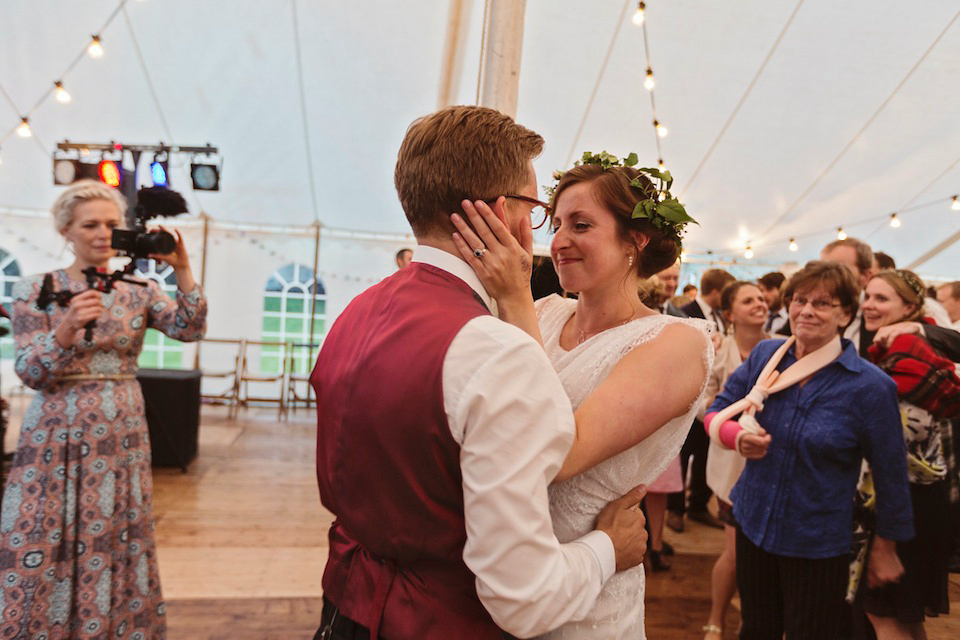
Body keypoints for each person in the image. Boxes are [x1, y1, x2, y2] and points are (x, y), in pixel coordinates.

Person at [310, 108, 649, 640]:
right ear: (502, 212)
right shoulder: (496, 351)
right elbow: (524, 598)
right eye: (537, 209)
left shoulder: (356, 311)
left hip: (344, 610)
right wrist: (610, 547)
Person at [450, 151, 712, 638]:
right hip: (500, 569)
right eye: (556, 223)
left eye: (581, 225)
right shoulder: (545, 311)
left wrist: (512, 297)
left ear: (635, 239)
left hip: (587, 594)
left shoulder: (677, 343)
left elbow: (559, 453)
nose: (559, 241)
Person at [0, 180, 207, 638]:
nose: (102, 233)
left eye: (111, 224)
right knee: (40, 528)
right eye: (89, 224)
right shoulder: (36, 288)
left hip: (121, 433)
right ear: (65, 231)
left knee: (114, 531)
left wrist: (183, 270)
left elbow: (189, 329)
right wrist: (67, 328)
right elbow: (30, 371)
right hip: (54, 433)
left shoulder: (140, 289)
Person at [705, 261, 913, 640]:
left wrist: (886, 547)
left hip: (816, 539)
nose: (807, 311)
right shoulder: (767, 356)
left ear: (846, 313)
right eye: (800, 300)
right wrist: (736, 435)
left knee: (812, 633)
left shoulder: (869, 386)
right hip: (753, 524)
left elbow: (891, 473)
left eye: (823, 303)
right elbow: (718, 409)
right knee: (757, 629)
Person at [855, 269, 959, 639]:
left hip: (902, 504)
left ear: (910, 308)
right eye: (868, 296)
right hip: (923, 503)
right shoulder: (912, 348)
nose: (869, 304)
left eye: (882, 298)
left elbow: (896, 442)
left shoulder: (907, 355)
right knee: (905, 617)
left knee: (885, 617)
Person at [699, 281, 770, 640]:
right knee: (736, 549)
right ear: (730, 314)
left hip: (770, 460)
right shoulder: (718, 350)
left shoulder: (785, 347)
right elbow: (702, 400)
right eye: (749, 300)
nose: (760, 304)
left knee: (760, 552)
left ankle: (753, 620)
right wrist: (727, 423)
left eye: (761, 298)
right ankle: (716, 617)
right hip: (730, 461)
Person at [669, 268, 736, 532]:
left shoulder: (721, 316)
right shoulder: (684, 312)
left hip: (711, 401)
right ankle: (675, 509)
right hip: (686, 398)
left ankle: (698, 505)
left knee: (707, 453)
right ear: (717, 291)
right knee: (681, 456)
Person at [820, 237, 960, 358]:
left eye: (839, 269)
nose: (826, 276)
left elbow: (954, 342)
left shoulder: (885, 311)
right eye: (822, 268)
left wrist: (917, 327)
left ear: (866, 275)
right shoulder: (815, 308)